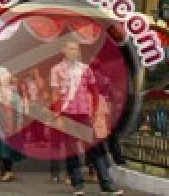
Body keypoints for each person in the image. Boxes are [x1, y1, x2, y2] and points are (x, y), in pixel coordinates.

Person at [50, 40, 123, 195]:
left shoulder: (85, 69)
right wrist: (57, 116)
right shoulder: (56, 70)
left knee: (95, 149)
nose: (73, 51)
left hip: (84, 114)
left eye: (76, 49)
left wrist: (94, 109)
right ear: (63, 50)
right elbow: (55, 94)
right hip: (67, 114)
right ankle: (78, 186)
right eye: (70, 48)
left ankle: (107, 185)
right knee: (72, 151)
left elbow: (94, 90)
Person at [0, 68, 24, 182]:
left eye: (5, 77)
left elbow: (19, 110)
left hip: (11, 124)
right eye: (2, 77)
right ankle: (4, 171)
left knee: (6, 148)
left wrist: (19, 125)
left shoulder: (14, 93)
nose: (3, 79)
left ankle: (7, 171)